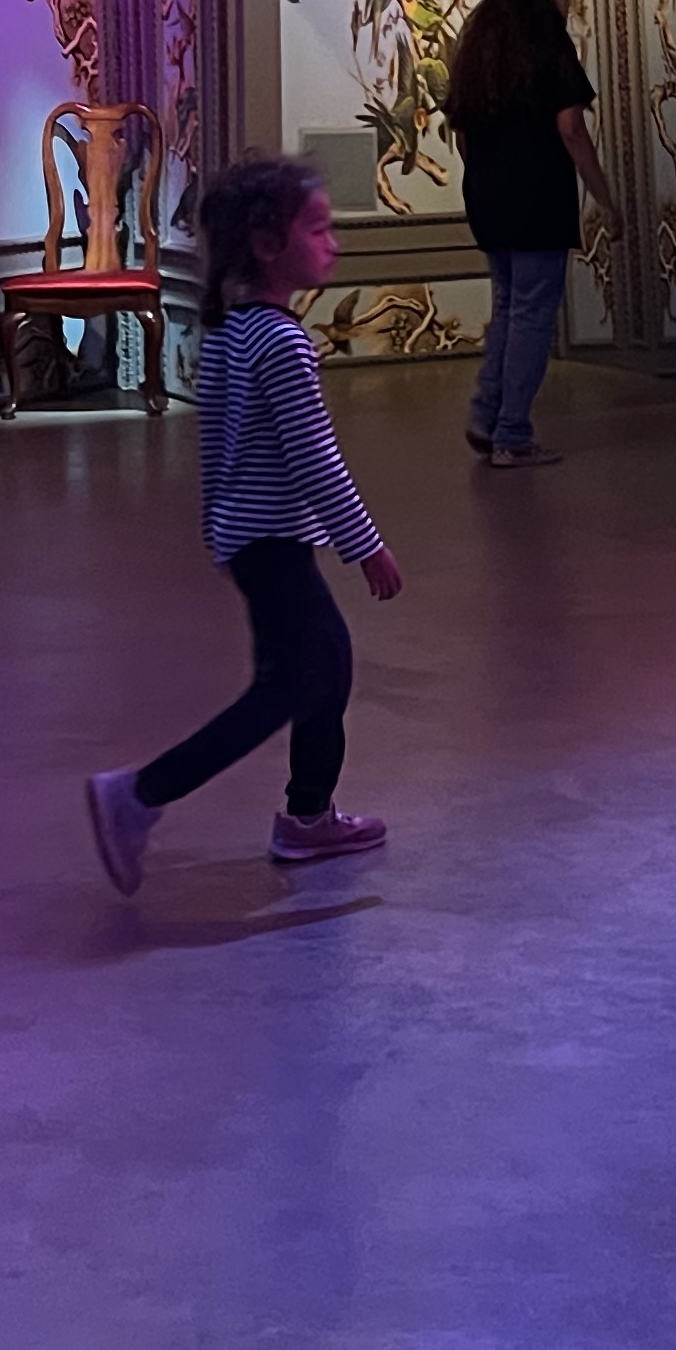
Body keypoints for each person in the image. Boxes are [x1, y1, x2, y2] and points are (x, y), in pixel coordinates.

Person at [89, 157, 404, 888]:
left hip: (252, 539)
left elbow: (217, 444)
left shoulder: (233, 331)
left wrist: (217, 529)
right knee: (287, 686)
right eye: (317, 229)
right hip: (274, 543)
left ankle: (308, 817)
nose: (333, 243)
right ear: (267, 246)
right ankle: (140, 795)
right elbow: (316, 459)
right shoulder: (283, 343)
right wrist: (367, 548)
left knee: (327, 666)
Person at [441, 0, 616, 469]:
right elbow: (571, 130)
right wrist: (605, 199)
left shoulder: (479, 51)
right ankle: (512, 434)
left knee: (508, 308)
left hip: (489, 199)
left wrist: (487, 182)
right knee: (532, 315)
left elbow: (462, 134)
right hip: (539, 198)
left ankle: (486, 416)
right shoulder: (549, 47)